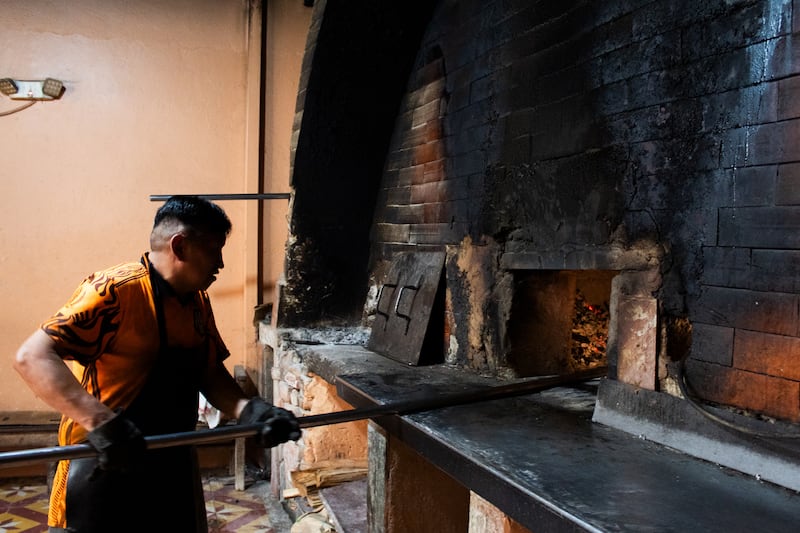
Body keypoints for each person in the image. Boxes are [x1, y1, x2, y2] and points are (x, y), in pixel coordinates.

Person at [13, 195, 300, 533]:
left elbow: (206, 371)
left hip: (171, 460)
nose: (220, 263)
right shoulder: (115, 292)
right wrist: (103, 423)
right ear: (180, 246)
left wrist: (251, 410)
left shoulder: (197, 302)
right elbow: (31, 356)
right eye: (213, 250)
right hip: (103, 464)